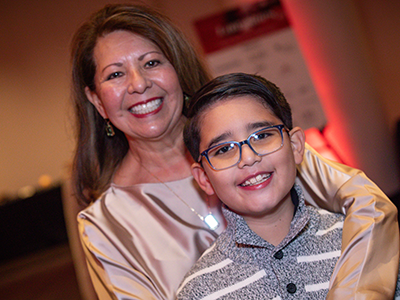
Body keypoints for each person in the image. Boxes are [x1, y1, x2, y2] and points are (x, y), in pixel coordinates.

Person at [70, 3, 399, 300]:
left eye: (152, 62)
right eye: (115, 74)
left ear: (177, 71)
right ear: (97, 100)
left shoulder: (263, 148)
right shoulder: (106, 225)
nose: (138, 83)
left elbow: (370, 208)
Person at [177, 72, 400, 299]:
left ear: (295, 146)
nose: (248, 158)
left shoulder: (364, 244)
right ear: (204, 178)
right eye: (223, 149)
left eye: (262, 135)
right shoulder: (197, 291)